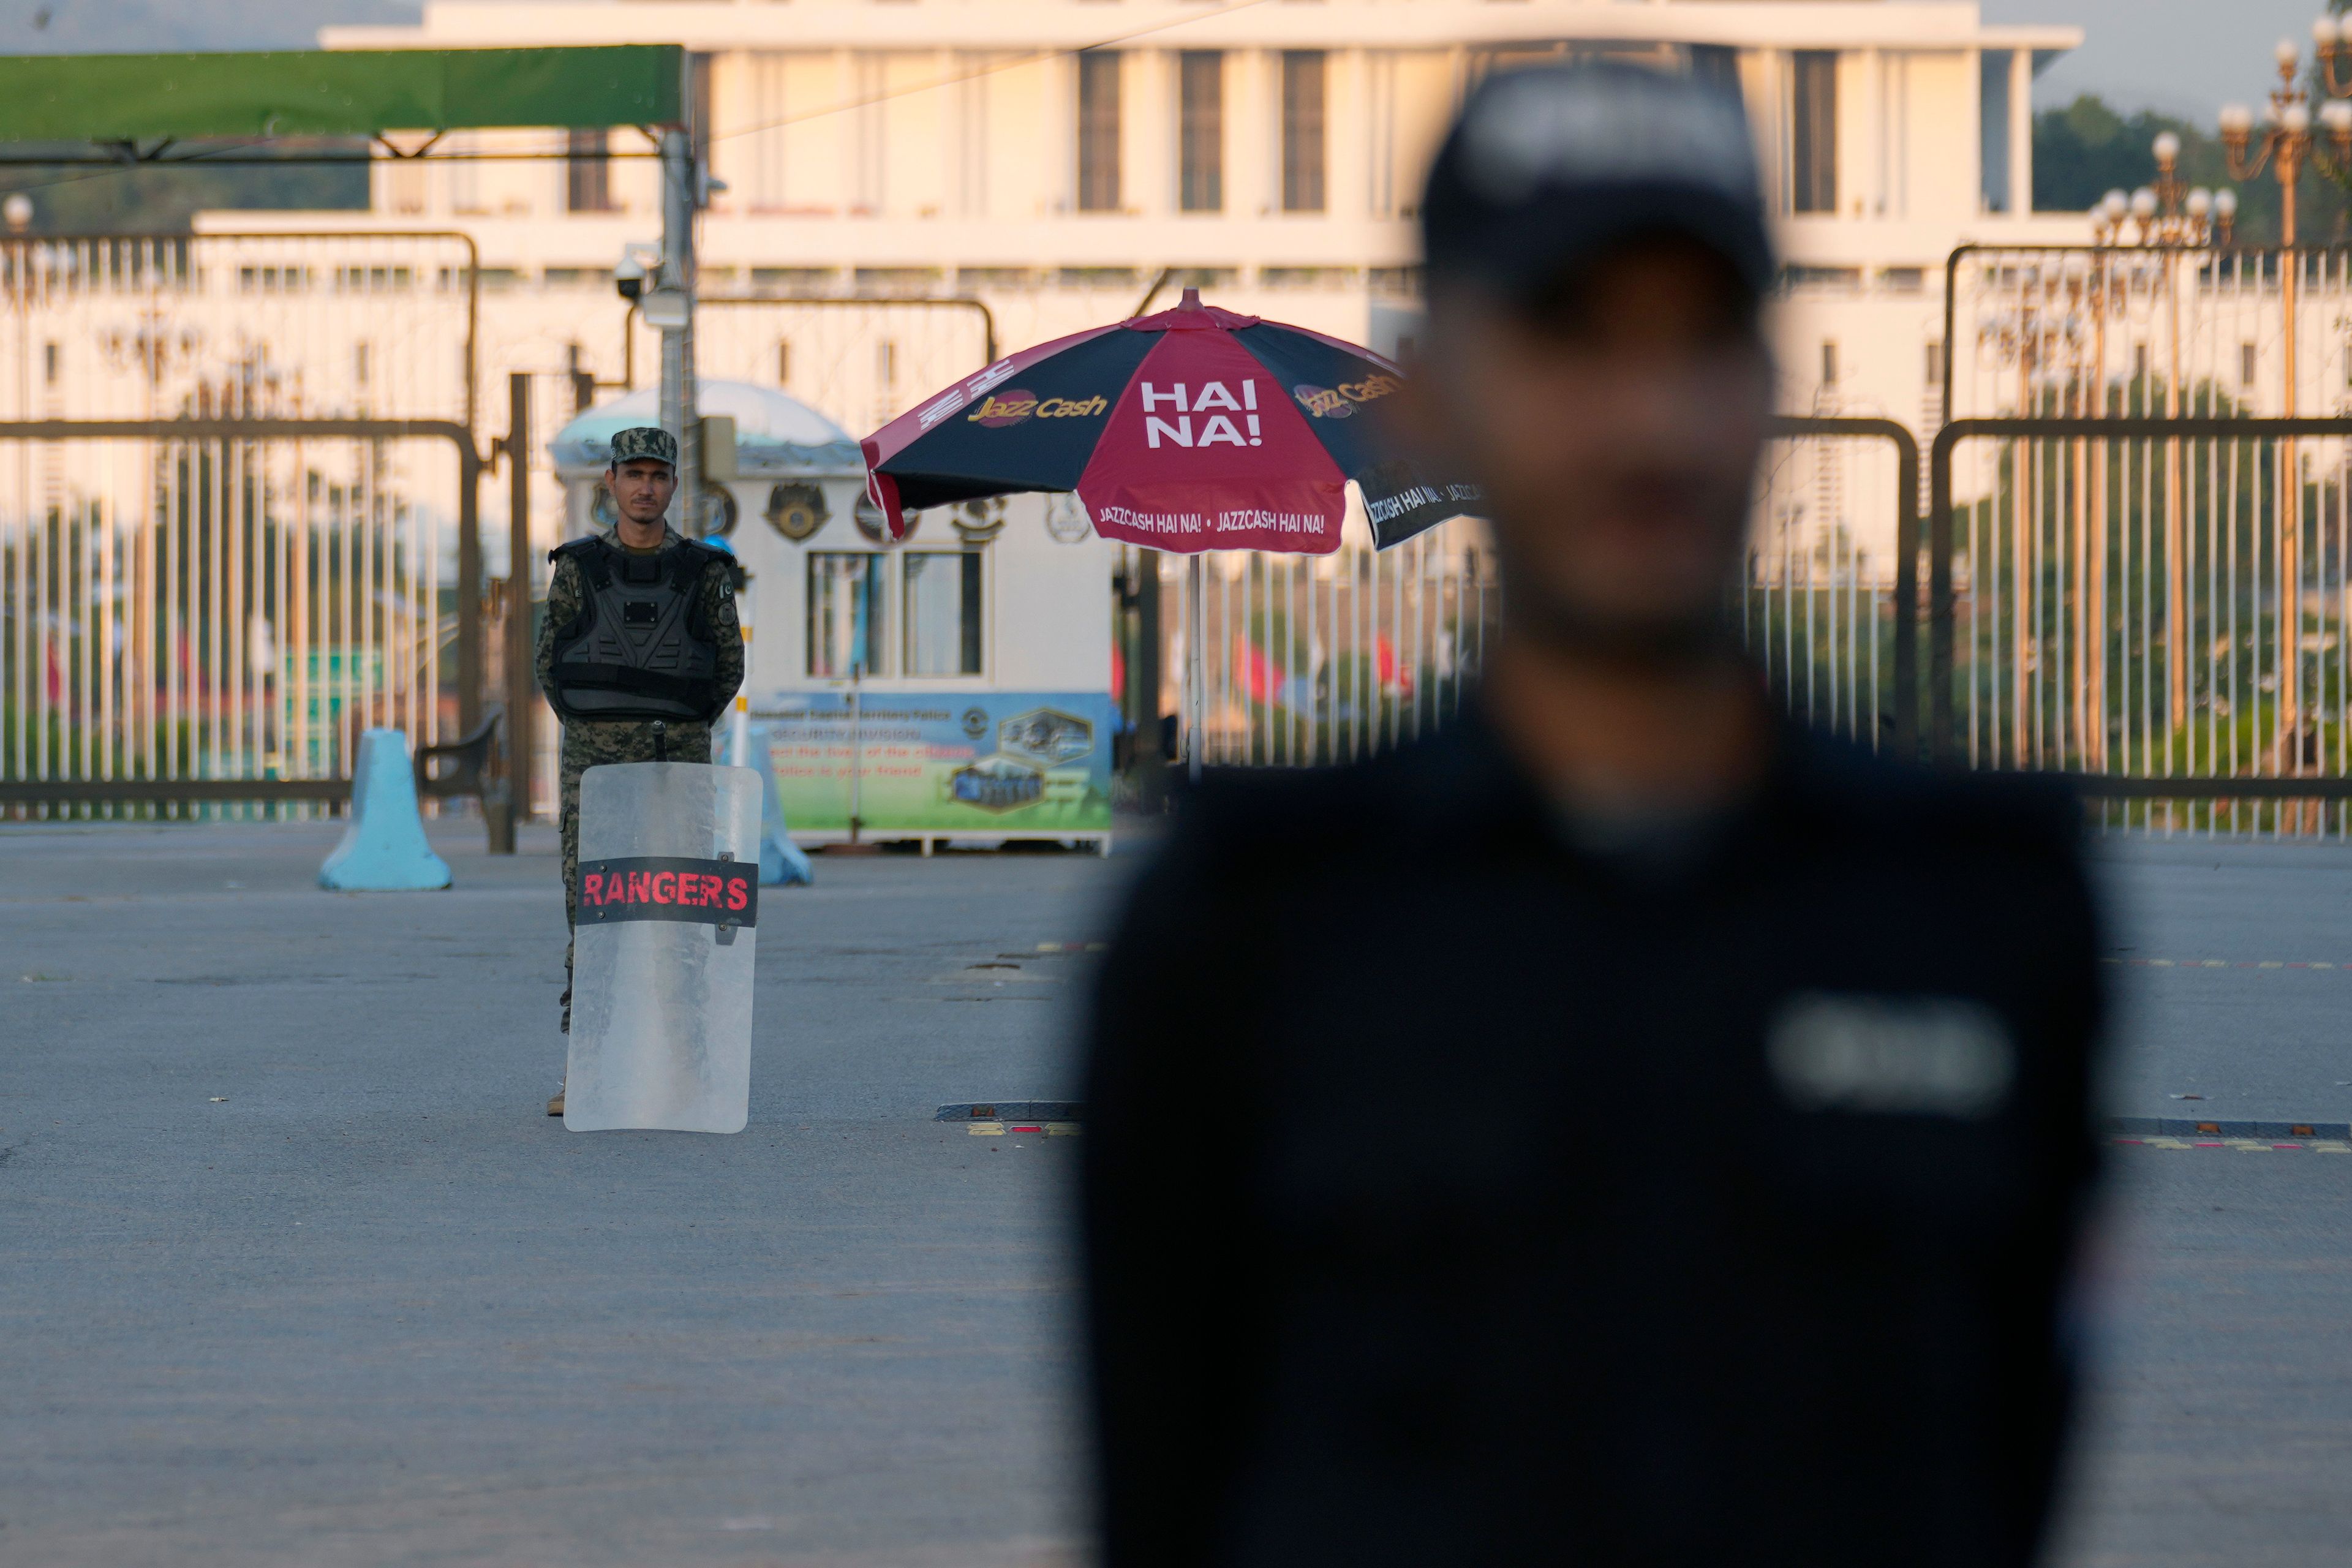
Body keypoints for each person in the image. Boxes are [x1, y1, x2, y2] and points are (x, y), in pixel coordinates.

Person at [1080, 62, 2104, 1568]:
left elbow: (2008, 1461)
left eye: (1697, 340)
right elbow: (1161, 1484)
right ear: (1426, 398)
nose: (1647, 417)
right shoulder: (1254, 923)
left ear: (1768, 381)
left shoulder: (1979, 907)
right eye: (1568, 337)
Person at [535, 426, 744, 1117]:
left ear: (674, 485)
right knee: (594, 919)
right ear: (612, 483)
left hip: (678, 766)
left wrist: (675, 726)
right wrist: (603, 731)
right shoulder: (577, 569)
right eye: (634, 475)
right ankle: (586, 1072)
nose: (646, 487)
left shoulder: (705, 573)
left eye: (658, 475)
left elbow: (725, 667)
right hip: (595, 770)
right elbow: (551, 665)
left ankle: (689, 1072)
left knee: (683, 918)